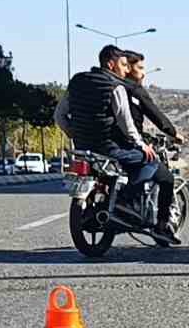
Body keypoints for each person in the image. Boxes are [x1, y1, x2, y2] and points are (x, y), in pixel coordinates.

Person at [54, 44, 178, 244]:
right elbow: (126, 123)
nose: (126, 70)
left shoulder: (77, 81)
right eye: (123, 65)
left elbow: (59, 115)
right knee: (152, 161)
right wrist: (142, 145)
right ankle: (133, 204)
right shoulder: (116, 87)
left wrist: (73, 133)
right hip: (108, 148)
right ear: (111, 64)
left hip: (83, 147)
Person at [121, 50, 182, 231]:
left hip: (107, 143)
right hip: (130, 143)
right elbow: (155, 114)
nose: (143, 73)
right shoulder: (134, 90)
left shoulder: (111, 86)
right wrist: (173, 133)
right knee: (166, 178)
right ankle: (161, 224)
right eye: (140, 68)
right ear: (128, 67)